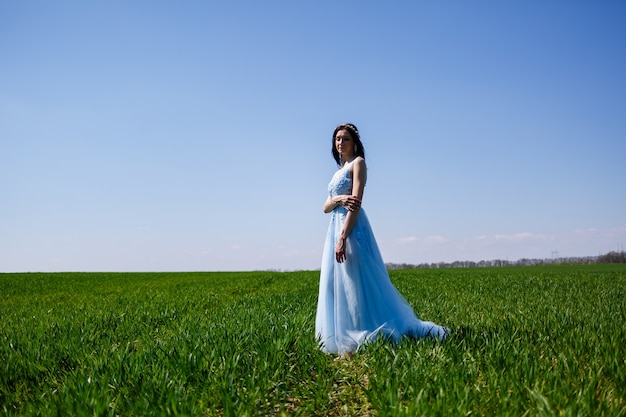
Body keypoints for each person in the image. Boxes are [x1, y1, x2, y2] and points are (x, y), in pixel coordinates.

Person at [315, 123, 449, 355]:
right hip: (334, 227)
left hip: (352, 228)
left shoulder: (358, 164)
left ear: (354, 142)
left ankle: (365, 330)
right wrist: (338, 199)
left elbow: (356, 203)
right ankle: (343, 334)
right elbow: (325, 206)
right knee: (335, 283)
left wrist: (344, 236)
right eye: (337, 139)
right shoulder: (337, 171)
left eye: (345, 139)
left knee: (357, 281)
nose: (340, 143)